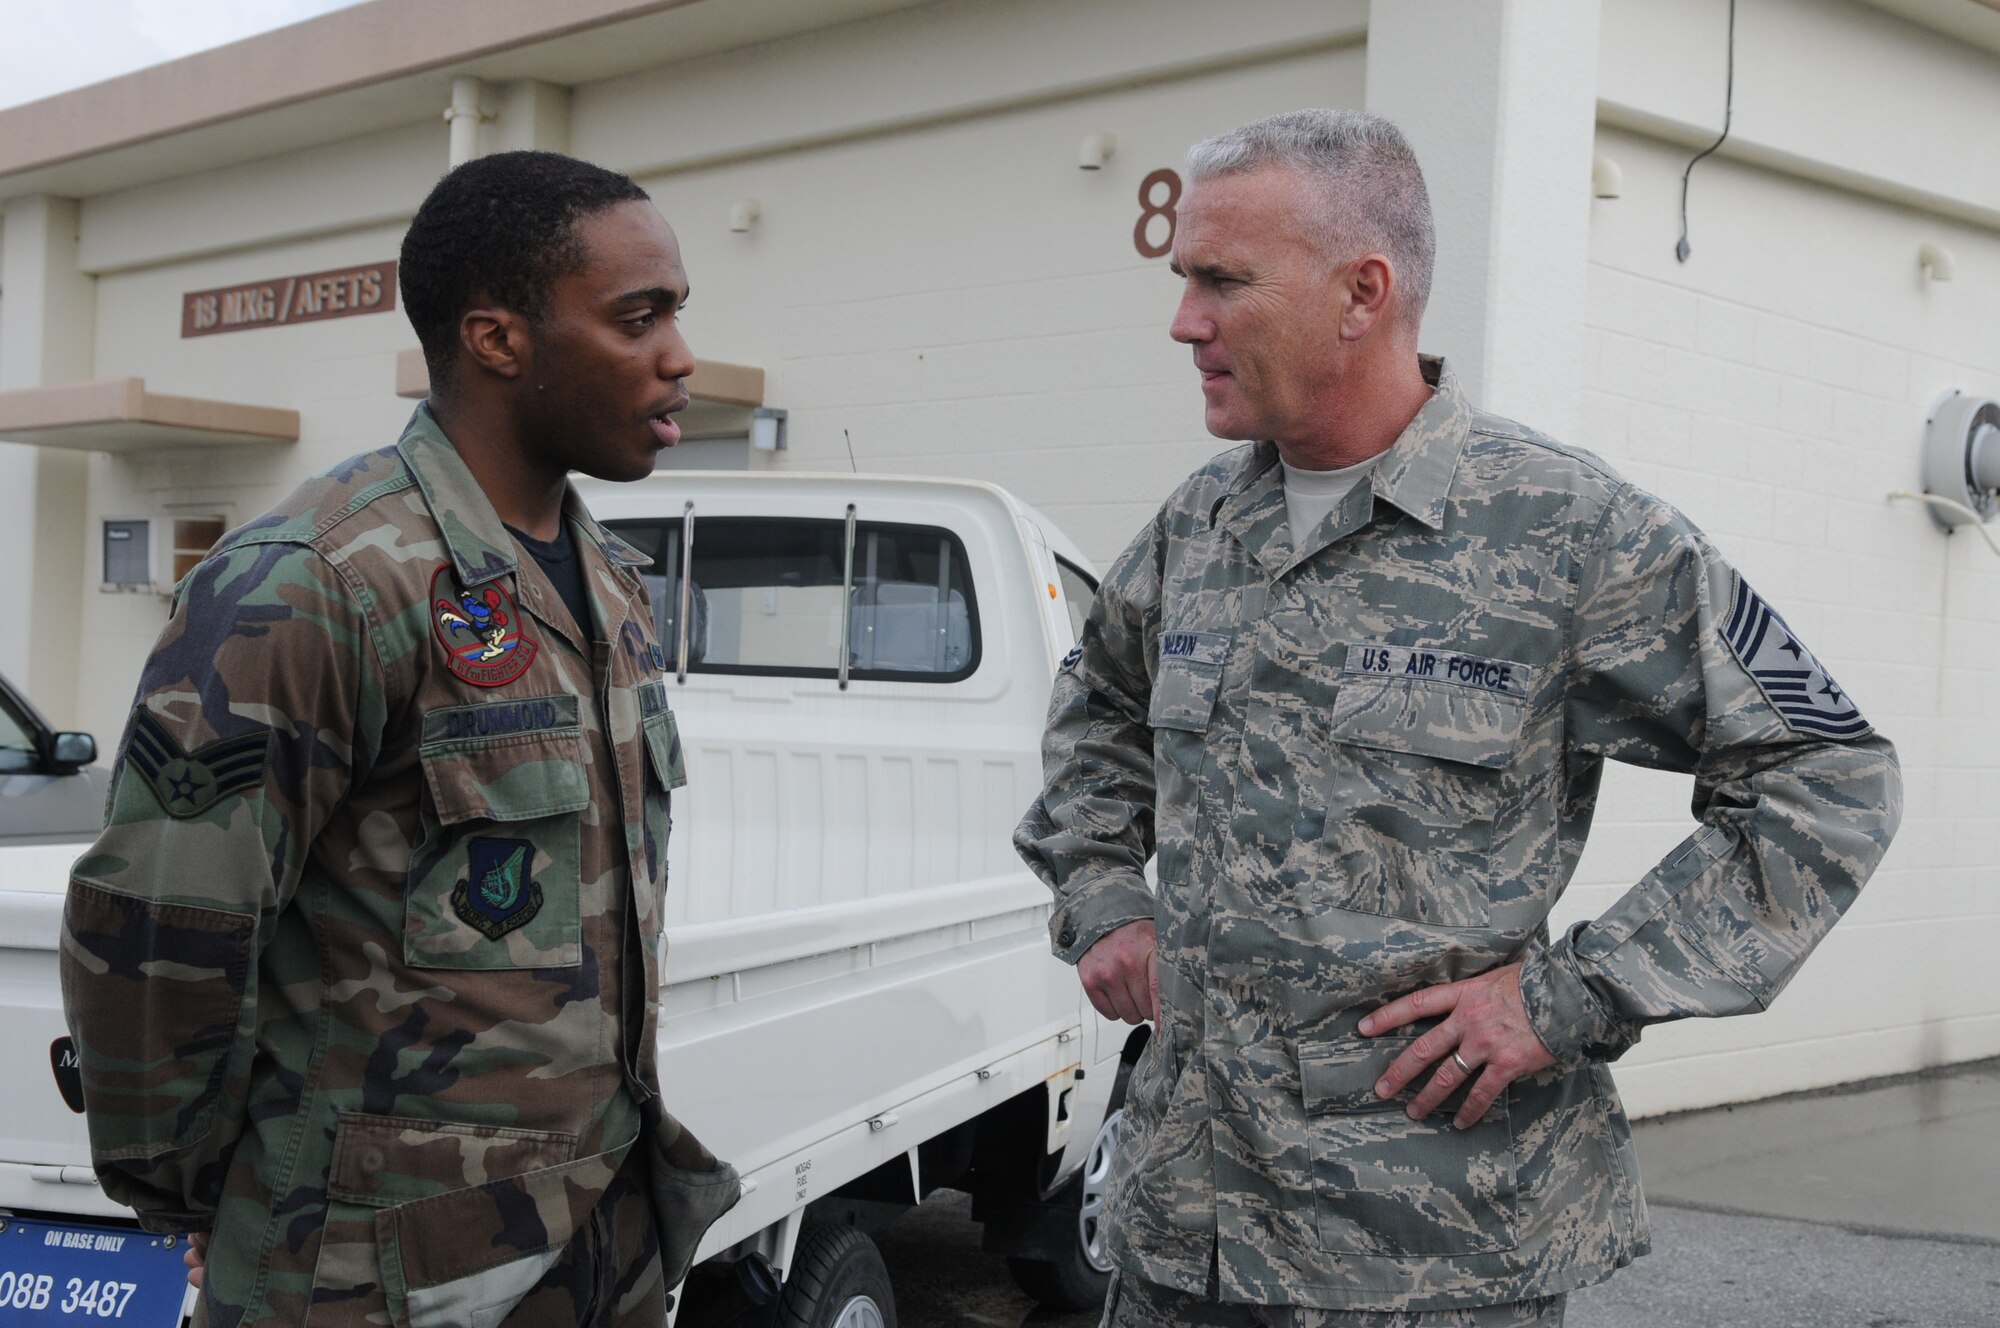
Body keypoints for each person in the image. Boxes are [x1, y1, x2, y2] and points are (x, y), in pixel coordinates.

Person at [1015, 109, 1901, 1327]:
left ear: (1359, 292)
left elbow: (1827, 773)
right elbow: (1097, 706)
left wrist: (1568, 995)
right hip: (1185, 1240)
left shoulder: (1565, 530)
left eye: (1221, 281)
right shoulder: (1199, 524)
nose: (1184, 322)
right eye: (1184, 283)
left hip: (1424, 1262)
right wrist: (1104, 892)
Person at [60, 150, 740, 1328]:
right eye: (640, 316)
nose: (678, 353)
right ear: (496, 338)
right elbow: (164, 929)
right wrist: (222, 1198)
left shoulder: (609, 585)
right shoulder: (318, 581)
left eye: (676, 311)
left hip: (593, 1236)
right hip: (366, 1272)